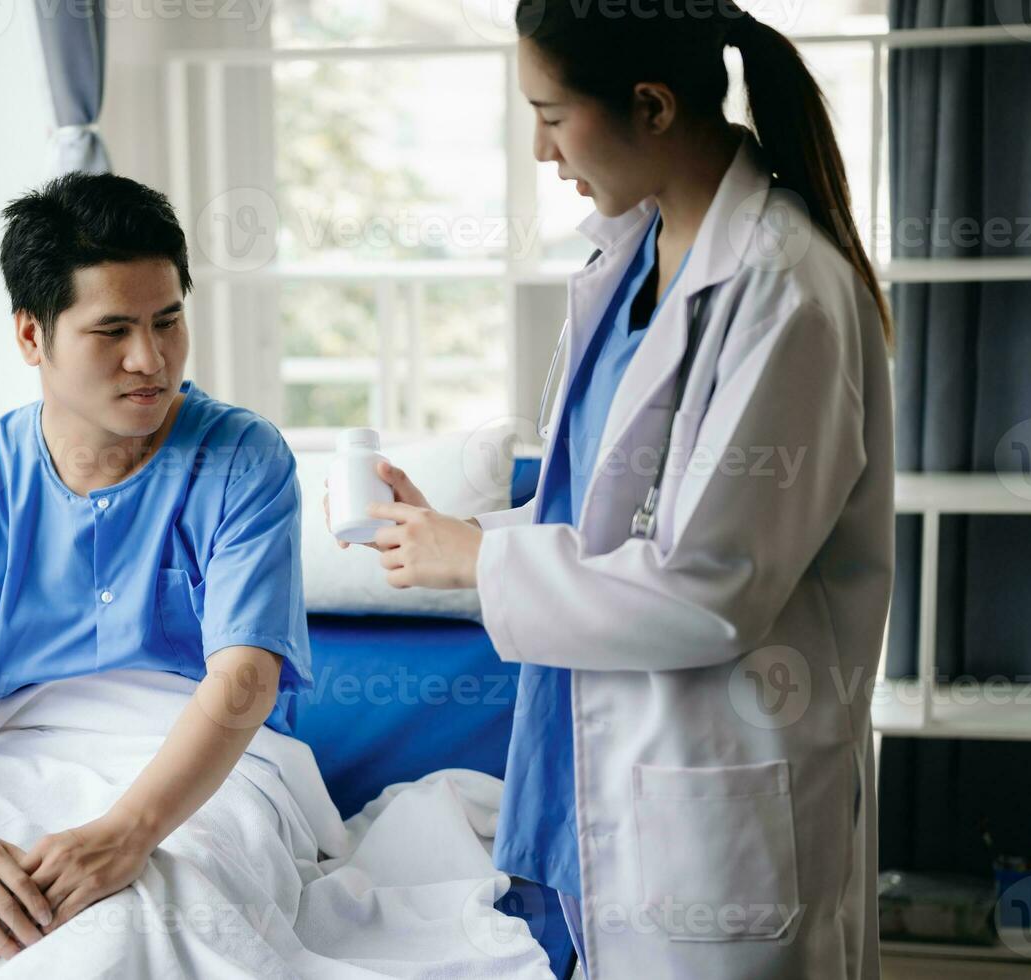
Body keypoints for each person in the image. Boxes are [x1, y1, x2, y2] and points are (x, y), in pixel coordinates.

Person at [344, 3, 894, 977]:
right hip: (594, 751)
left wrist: (478, 561)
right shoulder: (626, 257)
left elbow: (707, 588)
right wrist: (458, 533)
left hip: (715, 778)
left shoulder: (784, 289)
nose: (540, 150)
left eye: (552, 115)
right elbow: (598, 512)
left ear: (648, 105)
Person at [0, 171, 312, 963]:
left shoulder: (243, 458)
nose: (151, 358)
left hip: (197, 773)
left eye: (168, 321)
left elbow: (244, 679)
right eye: (113, 332)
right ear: (32, 336)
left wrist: (126, 835)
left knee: (136, 924)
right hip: (12, 748)